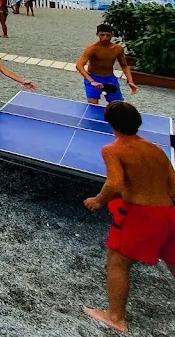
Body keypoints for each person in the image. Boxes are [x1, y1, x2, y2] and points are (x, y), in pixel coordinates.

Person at [83, 101, 175, 332]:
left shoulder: (112, 149)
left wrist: (98, 200)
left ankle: (116, 317)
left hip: (140, 214)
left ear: (110, 124)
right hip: (169, 212)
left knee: (118, 260)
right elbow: (173, 184)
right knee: (173, 260)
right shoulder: (156, 148)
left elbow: (114, 183)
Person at [76, 23, 138, 105]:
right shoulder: (92, 48)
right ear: (97, 34)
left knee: (117, 105)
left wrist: (130, 81)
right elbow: (79, 66)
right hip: (93, 77)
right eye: (102, 35)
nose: (105, 37)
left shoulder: (118, 49)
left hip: (110, 78)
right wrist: (91, 81)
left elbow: (124, 66)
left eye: (108, 35)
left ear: (112, 35)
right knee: (93, 105)